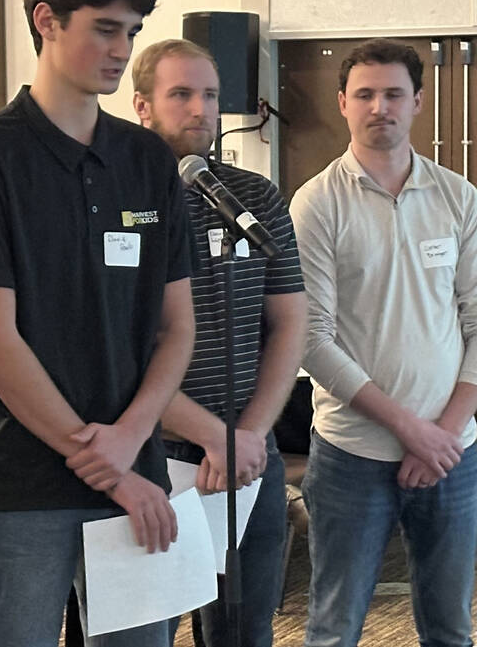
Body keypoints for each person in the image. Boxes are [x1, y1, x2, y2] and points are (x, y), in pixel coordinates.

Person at [0, 0, 194, 646]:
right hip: (26, 487)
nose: (121, 50)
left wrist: (129, 441)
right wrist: (103, 462)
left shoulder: (147, 159)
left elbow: (177, 328)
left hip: (137, 472)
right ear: (46, 20)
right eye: (104, 29)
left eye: (131, 32)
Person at [290, 38, 477, 647]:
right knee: (334, 628)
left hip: (451, 453)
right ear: (342, 103)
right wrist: (413, 431)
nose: (379, 107)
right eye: (364, 94)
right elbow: (311, 339)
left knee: (450, 629)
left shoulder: (458, 196)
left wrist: (444, 432)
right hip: (352, 455)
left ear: (418, 101)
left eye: (392, 94)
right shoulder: (316, 203)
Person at [131, 38, 306, 647]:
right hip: (152, 455)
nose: (200, 109)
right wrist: (211, 435)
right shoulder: (120, 200)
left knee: (245, 630)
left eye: (209, 95)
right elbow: (116, 352)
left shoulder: (252, 198)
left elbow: (290, 323)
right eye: (180, 94)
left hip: (252, 452)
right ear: (142, 106)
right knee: (145, 631)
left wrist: (248, 436)